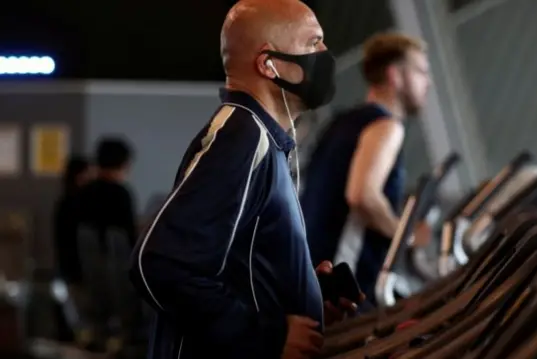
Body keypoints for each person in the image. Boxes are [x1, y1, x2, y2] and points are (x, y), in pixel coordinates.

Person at [128, 1, 362, 358]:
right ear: (268, 64)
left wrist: (303, 292)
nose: (325, 54)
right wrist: (268, 337)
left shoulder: (266, 140)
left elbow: (235, 266)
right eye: (313, 42)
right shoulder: (242, 136)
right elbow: (161, 263)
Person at [301, 32, 432, 304]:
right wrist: (405, 237)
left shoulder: (341, 123)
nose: (427, 82)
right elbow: (363, 196)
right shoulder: (386, 127)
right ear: (395, 76)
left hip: (312, 275)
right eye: (420, 71)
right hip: (344, 288)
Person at [74, 137, 136, 352]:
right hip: (118, 279)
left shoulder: (82, 194)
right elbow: (130, 241)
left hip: (87, 279)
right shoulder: (121, 195)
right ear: (124, 164)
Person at [52, 155, 94, 344]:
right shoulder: (78, 204)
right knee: (81, 323)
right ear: (80, 176)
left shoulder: (63, 203)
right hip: (76, 273)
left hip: (66, 271)